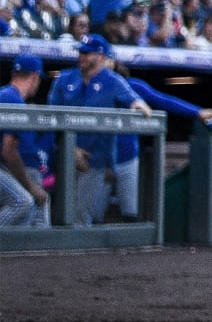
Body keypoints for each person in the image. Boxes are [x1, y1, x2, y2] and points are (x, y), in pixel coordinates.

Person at [45, 34, 153, 226]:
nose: (82, 57)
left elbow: (137, 102)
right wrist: (70, 149)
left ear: (101, 57)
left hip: (93, 159)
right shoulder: (65, 78)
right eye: (81, 52)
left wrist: (138, 105)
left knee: (80, 215)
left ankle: (76, 254)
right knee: (59, 212)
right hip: (65, 155)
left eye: (87, 53)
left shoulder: (113, 81)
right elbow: (50, 117)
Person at [110, 75, 212, 222]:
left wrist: (197, 112)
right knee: (87, 214)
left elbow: (164, 101)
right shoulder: (79, 82)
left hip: (126, 157)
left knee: (130, 213)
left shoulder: (131, 85)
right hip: (95, 158)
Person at [1, 54, 50, 227]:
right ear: (35, 76)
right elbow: (9, 150)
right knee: (22, 201)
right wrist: (30, 186)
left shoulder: (6, 94)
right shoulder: (12, 99)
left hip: (5, 168)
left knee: (28, 213)